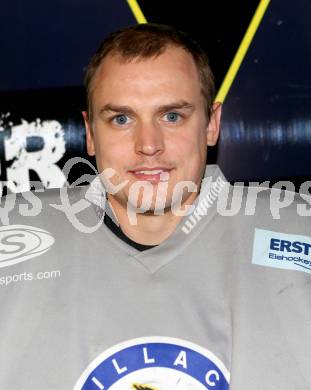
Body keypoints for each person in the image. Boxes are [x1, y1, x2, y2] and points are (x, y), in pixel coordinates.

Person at [0, 23, 310, 390]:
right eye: (121, 119)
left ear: (212, 124)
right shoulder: (11, 230)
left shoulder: (299, 228)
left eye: (172, 116)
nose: (149, 144)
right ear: (90, 133)